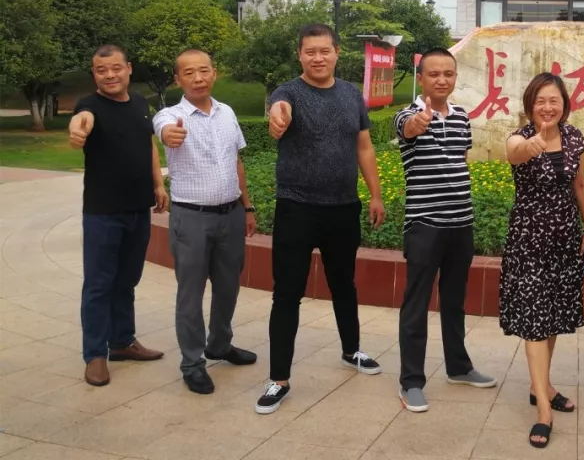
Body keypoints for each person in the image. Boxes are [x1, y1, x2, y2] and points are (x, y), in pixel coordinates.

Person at [254, 23, 386, 414]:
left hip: (343, 207)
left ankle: (351, 350)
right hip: (296, 207)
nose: (318, 58)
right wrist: (277, 116)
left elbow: (364, 146)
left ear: (336, 52)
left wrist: (376, 194)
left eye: (324, 50)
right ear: (300, 54)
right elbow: (279, 110)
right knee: (287, 292)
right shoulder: (288, 92)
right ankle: (279, 379)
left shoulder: (351, 94)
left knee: (344, 283)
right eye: (310, 51)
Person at [394, 48, 496, 414]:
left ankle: (459, 367)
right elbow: (408, 129)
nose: (441, 80)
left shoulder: (462, 117)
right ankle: (411, 381)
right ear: (421, 78)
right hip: (424, 224)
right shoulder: (406, 114)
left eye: (448, 74)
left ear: (455, 78)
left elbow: (459, 160)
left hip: (460, 224)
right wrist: (417, 123)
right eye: (434, 74)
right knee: (416, 304)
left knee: (455, 301)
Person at [153, 49, 259, 395]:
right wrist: (169, 135)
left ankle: (220, 344)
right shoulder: (170, 115)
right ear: (177, 79)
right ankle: (192, 363)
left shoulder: (227, 112)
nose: (198, 78)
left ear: (214, 73)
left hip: (230, 215)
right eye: (189, 73)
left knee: (228, 286)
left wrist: (247, 207)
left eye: (204, 71)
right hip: (191, 218)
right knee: (191, 292)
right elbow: (163, 130)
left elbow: (236, 161)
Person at [501, 72, 584, 449]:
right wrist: (534, 143)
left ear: (564, 104)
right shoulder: (520, 137)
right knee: (535, 322)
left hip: (565, 241)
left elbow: (580, 185)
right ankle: (543, 409)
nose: (547, 107)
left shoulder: (574, 138)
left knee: (552, 316)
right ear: (530, 105)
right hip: (529, 243)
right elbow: (514, 152)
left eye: (554, 100)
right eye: (540, 101)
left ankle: (540, 385)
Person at [68, 44, 167, 387]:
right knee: (99, 285)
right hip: (102, 212)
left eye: (115, 68)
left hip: (138, 209)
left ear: (129, 69)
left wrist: (158, 184)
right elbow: (82, 119)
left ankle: (122, 342)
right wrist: (77, 129)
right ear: (94, 74)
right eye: (101, 70)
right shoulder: (89, 106)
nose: (109, 75)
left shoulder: (140, 104)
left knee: (127, 281)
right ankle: (95, 354)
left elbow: (148, 145)